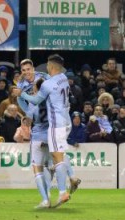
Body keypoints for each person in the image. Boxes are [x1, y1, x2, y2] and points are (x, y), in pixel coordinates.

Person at [17, 61, 81, 209]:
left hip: (39, 136)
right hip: (55, 128)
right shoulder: (50, 100)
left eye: (28, 69)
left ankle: (46, 199)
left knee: (37, 167)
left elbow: (25, 104)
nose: (26, 72)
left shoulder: (34, 103)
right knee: (60, 156)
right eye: (24, 70)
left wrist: (24, 103)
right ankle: (71, 177)